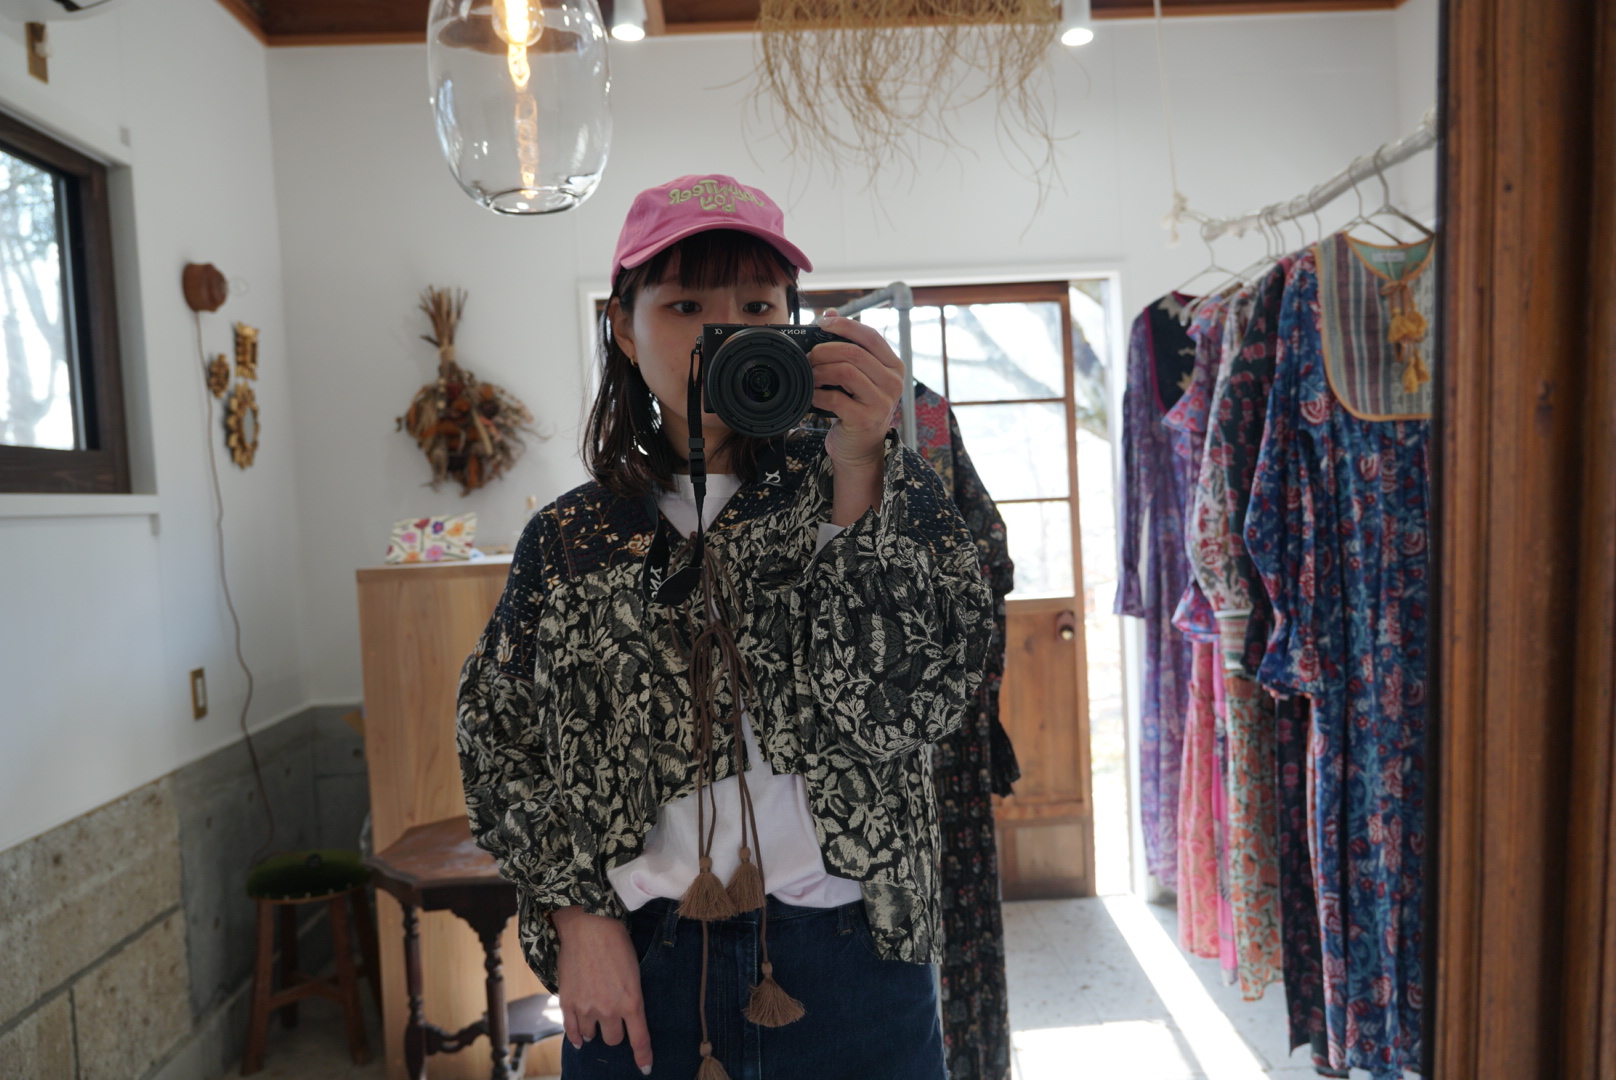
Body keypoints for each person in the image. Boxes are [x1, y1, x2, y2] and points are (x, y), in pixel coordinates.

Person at [456, 174, 993, 1080]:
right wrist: (577, 916)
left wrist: (862, 471)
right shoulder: (572, 539)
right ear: (624, 329)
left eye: (756, 305)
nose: (724, 333)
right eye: (685, 306)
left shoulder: (877, 483)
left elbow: (912, 709)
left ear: (795, 323)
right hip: (640, 963)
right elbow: (497, 738)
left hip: (857, 959)